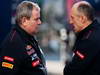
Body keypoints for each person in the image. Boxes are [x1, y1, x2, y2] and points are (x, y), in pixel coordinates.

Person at [0, 1, 47, 75]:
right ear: (24, 21)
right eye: (36, 19)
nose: (40, 22)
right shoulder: (13, 44)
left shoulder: (28, 36)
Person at [64, 1, 100, 75]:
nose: (70, 22)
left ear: (82, 18)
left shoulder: (89, 40)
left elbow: (71, 71)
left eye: (72, 18)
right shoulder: (95, 31)